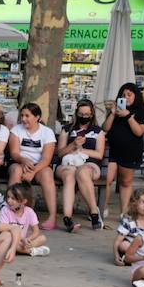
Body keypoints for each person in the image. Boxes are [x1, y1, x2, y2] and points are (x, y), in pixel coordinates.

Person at [102, 82, 144, 222]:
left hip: (130, 151)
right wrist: (112, 114)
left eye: (129, 94)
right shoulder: (115, 110)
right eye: (123, 95)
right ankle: (102, 208)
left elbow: (139, 131)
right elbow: (105, 128)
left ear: (136, 96)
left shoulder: (142, 111)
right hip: (111, 149)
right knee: (107, 180)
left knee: (125, 182)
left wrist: (128, 116)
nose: (126, 97)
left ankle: (124, 213)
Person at [56, 99, 106, 232]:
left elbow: (99, 154)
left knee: (82, 172)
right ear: (76, 113)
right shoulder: (67, 129)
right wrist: (73, 145)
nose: (84, 117)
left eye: (87, 114)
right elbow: (60, 153)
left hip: (90, 164)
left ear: (92, 114)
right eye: (81, 114)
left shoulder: (97, 131)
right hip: (68, 164)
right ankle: (67, 217)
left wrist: (80, 150)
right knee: (70, 174)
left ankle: (94, 212)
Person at [7, 102, 58, 230]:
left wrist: (33, 172)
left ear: (37, 117)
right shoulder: (16, 130)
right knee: (16, 171)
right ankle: (11, 213)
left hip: (39, 165)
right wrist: (23, 160)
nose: (23, 119)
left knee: (47, 174)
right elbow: (14, 153)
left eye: (27, 116)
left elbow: (47, 158)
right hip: (20, 162)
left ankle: (52, 217)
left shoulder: (47, 132)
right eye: (22, 115)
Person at [0, 182, 49, 256]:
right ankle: (31, 251)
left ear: (23, 201)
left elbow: (36, 231)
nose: (9, 200)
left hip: (23, 242)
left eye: (13, 198)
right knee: (8, 242)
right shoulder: (5, 210)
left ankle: (24, 248)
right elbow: (3, 230)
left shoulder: (29, 212)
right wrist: (22, 240)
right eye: (8, 197)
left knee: (43, 238)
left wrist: (28, 239)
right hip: (10, 239)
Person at [114, 187, 144, 265]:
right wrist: (116, 256)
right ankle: (139, 259)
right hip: (132, 248)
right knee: (123, 245)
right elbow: (118, 241)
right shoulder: (129, 221)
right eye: (143, 202)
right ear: (134, 204)